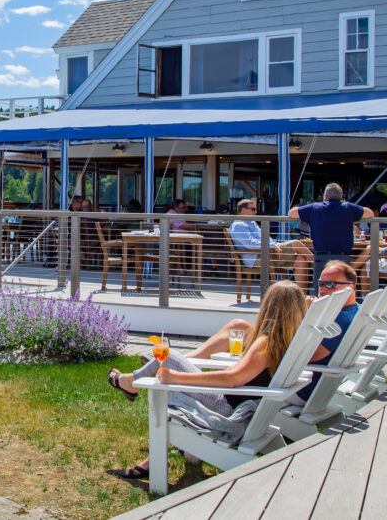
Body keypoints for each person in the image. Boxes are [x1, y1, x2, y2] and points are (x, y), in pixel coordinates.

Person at [105, 281, 309, 479]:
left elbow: (232, 379)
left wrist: (178, 377)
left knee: (167, 358)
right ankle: (134, 381)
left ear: (268, 308)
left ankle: (131, 382)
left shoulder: (264, 344)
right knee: (167, 363)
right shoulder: (289, 343)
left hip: (226, 407)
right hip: (248, 407)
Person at [289, 183, 373, 290]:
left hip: (321, 257)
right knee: (343, 291)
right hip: (343, 258)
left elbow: (291, 213)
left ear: (325, 196)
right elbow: (370, 213)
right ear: (341, 197)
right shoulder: (348, 207)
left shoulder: (315, 208)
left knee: (321, 291)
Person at [298, 260, 361, 402]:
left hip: (303, 386)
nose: (322, 289)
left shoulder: (338, 319)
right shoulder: (355, 310)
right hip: (324, 382)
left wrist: (306, 314)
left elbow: (305, 357)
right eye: (320, 283)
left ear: (350, 288)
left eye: (331, 285)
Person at [229, 199, 313, 289]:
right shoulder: (238, 225)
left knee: (301, 259)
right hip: (256, 257)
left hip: (268, 253)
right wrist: (272, 245)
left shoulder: (251, 223)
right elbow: (250, 243)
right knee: (296, 243)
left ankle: (302, 296)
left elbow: (266, 238)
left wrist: (273, 244)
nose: (256, 212)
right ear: (243, 210)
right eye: (253, 209)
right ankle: (317, 264)